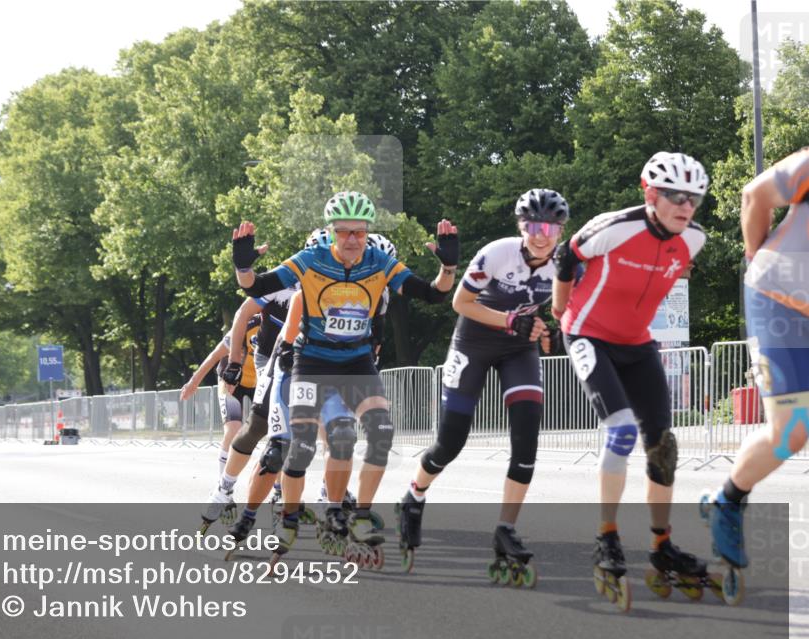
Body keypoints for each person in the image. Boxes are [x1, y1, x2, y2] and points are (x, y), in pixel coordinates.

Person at [231, 191, 459, 566]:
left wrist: (448, 268)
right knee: (301, 445)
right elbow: (257, 287)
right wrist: (243, 266)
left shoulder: (379, 262)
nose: (353, 240)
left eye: (359, 232)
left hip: (356, 361)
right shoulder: (310, 260)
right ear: (332, 232)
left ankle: (348, 510)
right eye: (344, 232)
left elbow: (432, 295)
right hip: (314, 360)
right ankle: (288, 515)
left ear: (367, 231)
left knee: (370, 434)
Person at [552, 152, 709, 611]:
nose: (686, 206)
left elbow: (668, 271)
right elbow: (567, 256)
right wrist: (562, 310)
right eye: (676, 196)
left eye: (694, 198)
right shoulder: (616, 226)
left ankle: (661, 544)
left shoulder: (693, 240)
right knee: (620, 430)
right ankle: (607, 537)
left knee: (663, 444)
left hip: (638, 344)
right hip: (587, 334)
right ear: (651, 195)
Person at [397, 189, 568, 581]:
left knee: (527, 441)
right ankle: (414, 496)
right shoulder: (497, 253)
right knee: (450, 443)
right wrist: (511, 321)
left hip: (518, 349)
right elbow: (460, 303)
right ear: (520, 226)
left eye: (550, 228)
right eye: (533, 226)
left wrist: (557, 334)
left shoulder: (564, 262)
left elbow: (566, 307)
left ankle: (506, 530)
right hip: (474, 341)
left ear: (560, 230)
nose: (541, 235)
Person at [703, 147, 809, 593]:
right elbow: (754, 196)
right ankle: (727, 501)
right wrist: (757, 257)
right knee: (792, 430)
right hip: (776, 301)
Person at [180, 313, 261, 530]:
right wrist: (194, 381)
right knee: (233, 429)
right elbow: (217, 353)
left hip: (259, 380)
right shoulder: (250, 322)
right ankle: (224, 490)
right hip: (231, 377)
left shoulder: (288, 321)